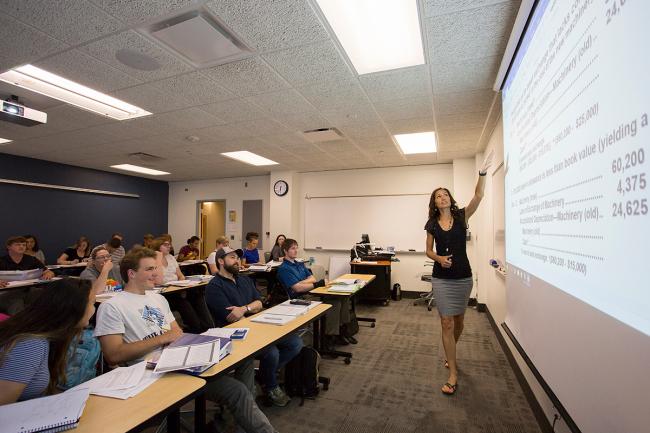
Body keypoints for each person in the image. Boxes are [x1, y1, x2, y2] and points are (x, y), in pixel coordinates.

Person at [94, 248, 276, 433]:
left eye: (156, 268)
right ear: (131, 274)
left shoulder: (157, 298)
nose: (156, 273)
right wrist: (164, 338)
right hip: (153, 373)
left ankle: (233, 421)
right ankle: (241, 420)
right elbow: (113, 355)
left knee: (242, 359)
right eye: (149, 269)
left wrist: (177, 340)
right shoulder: (112, 306)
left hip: (179, 359)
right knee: (237, 391)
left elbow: (177, 332)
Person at [424, 151, 493, 396]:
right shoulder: (431, 224)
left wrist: (482, 173)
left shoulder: (463, 215)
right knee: (446, 321)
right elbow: (428, 251)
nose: (441, 198)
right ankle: (452, 371)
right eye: (437, 196)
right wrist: (439, 258)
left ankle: (451, 351)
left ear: (449, 199)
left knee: (459, 322)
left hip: (463, 276)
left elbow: (479, 195)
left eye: (444, 194)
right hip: (441, 279)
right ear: (434, 203)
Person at [206, 247, 302, 407]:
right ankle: (271, 386)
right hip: (236, 334)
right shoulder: (214, 287)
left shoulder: (244, 279)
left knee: (295, 343)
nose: (237, 260)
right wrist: (251, 315)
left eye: (237, 257)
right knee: (272, 352)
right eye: (232, 257)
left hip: (259, 325)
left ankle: (265, 375)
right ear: (221, 261)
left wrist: (244, 308)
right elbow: (233, 319)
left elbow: (259, 303)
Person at [0, 278, 96, 404]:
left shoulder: (49, 337)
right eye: (92, 303)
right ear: (74, 309)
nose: (94, 309)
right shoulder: (31, 344)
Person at [277, 238, 354, 346]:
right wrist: (313, 284)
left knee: (343, 297)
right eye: (292, 248)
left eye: (296, 248)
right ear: (285, 251)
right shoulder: (284, 268)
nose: (296, 251)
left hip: (310, 293)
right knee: (335, 303)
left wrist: (301, 283)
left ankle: (342, 330)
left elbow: (312, 278)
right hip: (300, 298)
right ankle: (329, 337)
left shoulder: (299, 264)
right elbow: (297, 289)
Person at [151, 238, 213, 333]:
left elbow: (180, 275)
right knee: (183, 302)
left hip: (176, 288)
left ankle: (208, 326)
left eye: (169, 244)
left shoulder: (171, 257)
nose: (169, 246)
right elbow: (158, 281)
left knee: (197, 295)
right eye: (165, 245)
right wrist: (158, 257)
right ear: (157, 247)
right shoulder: (153, 259)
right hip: (165, 293)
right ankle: (196, 327)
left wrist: (181, 284)